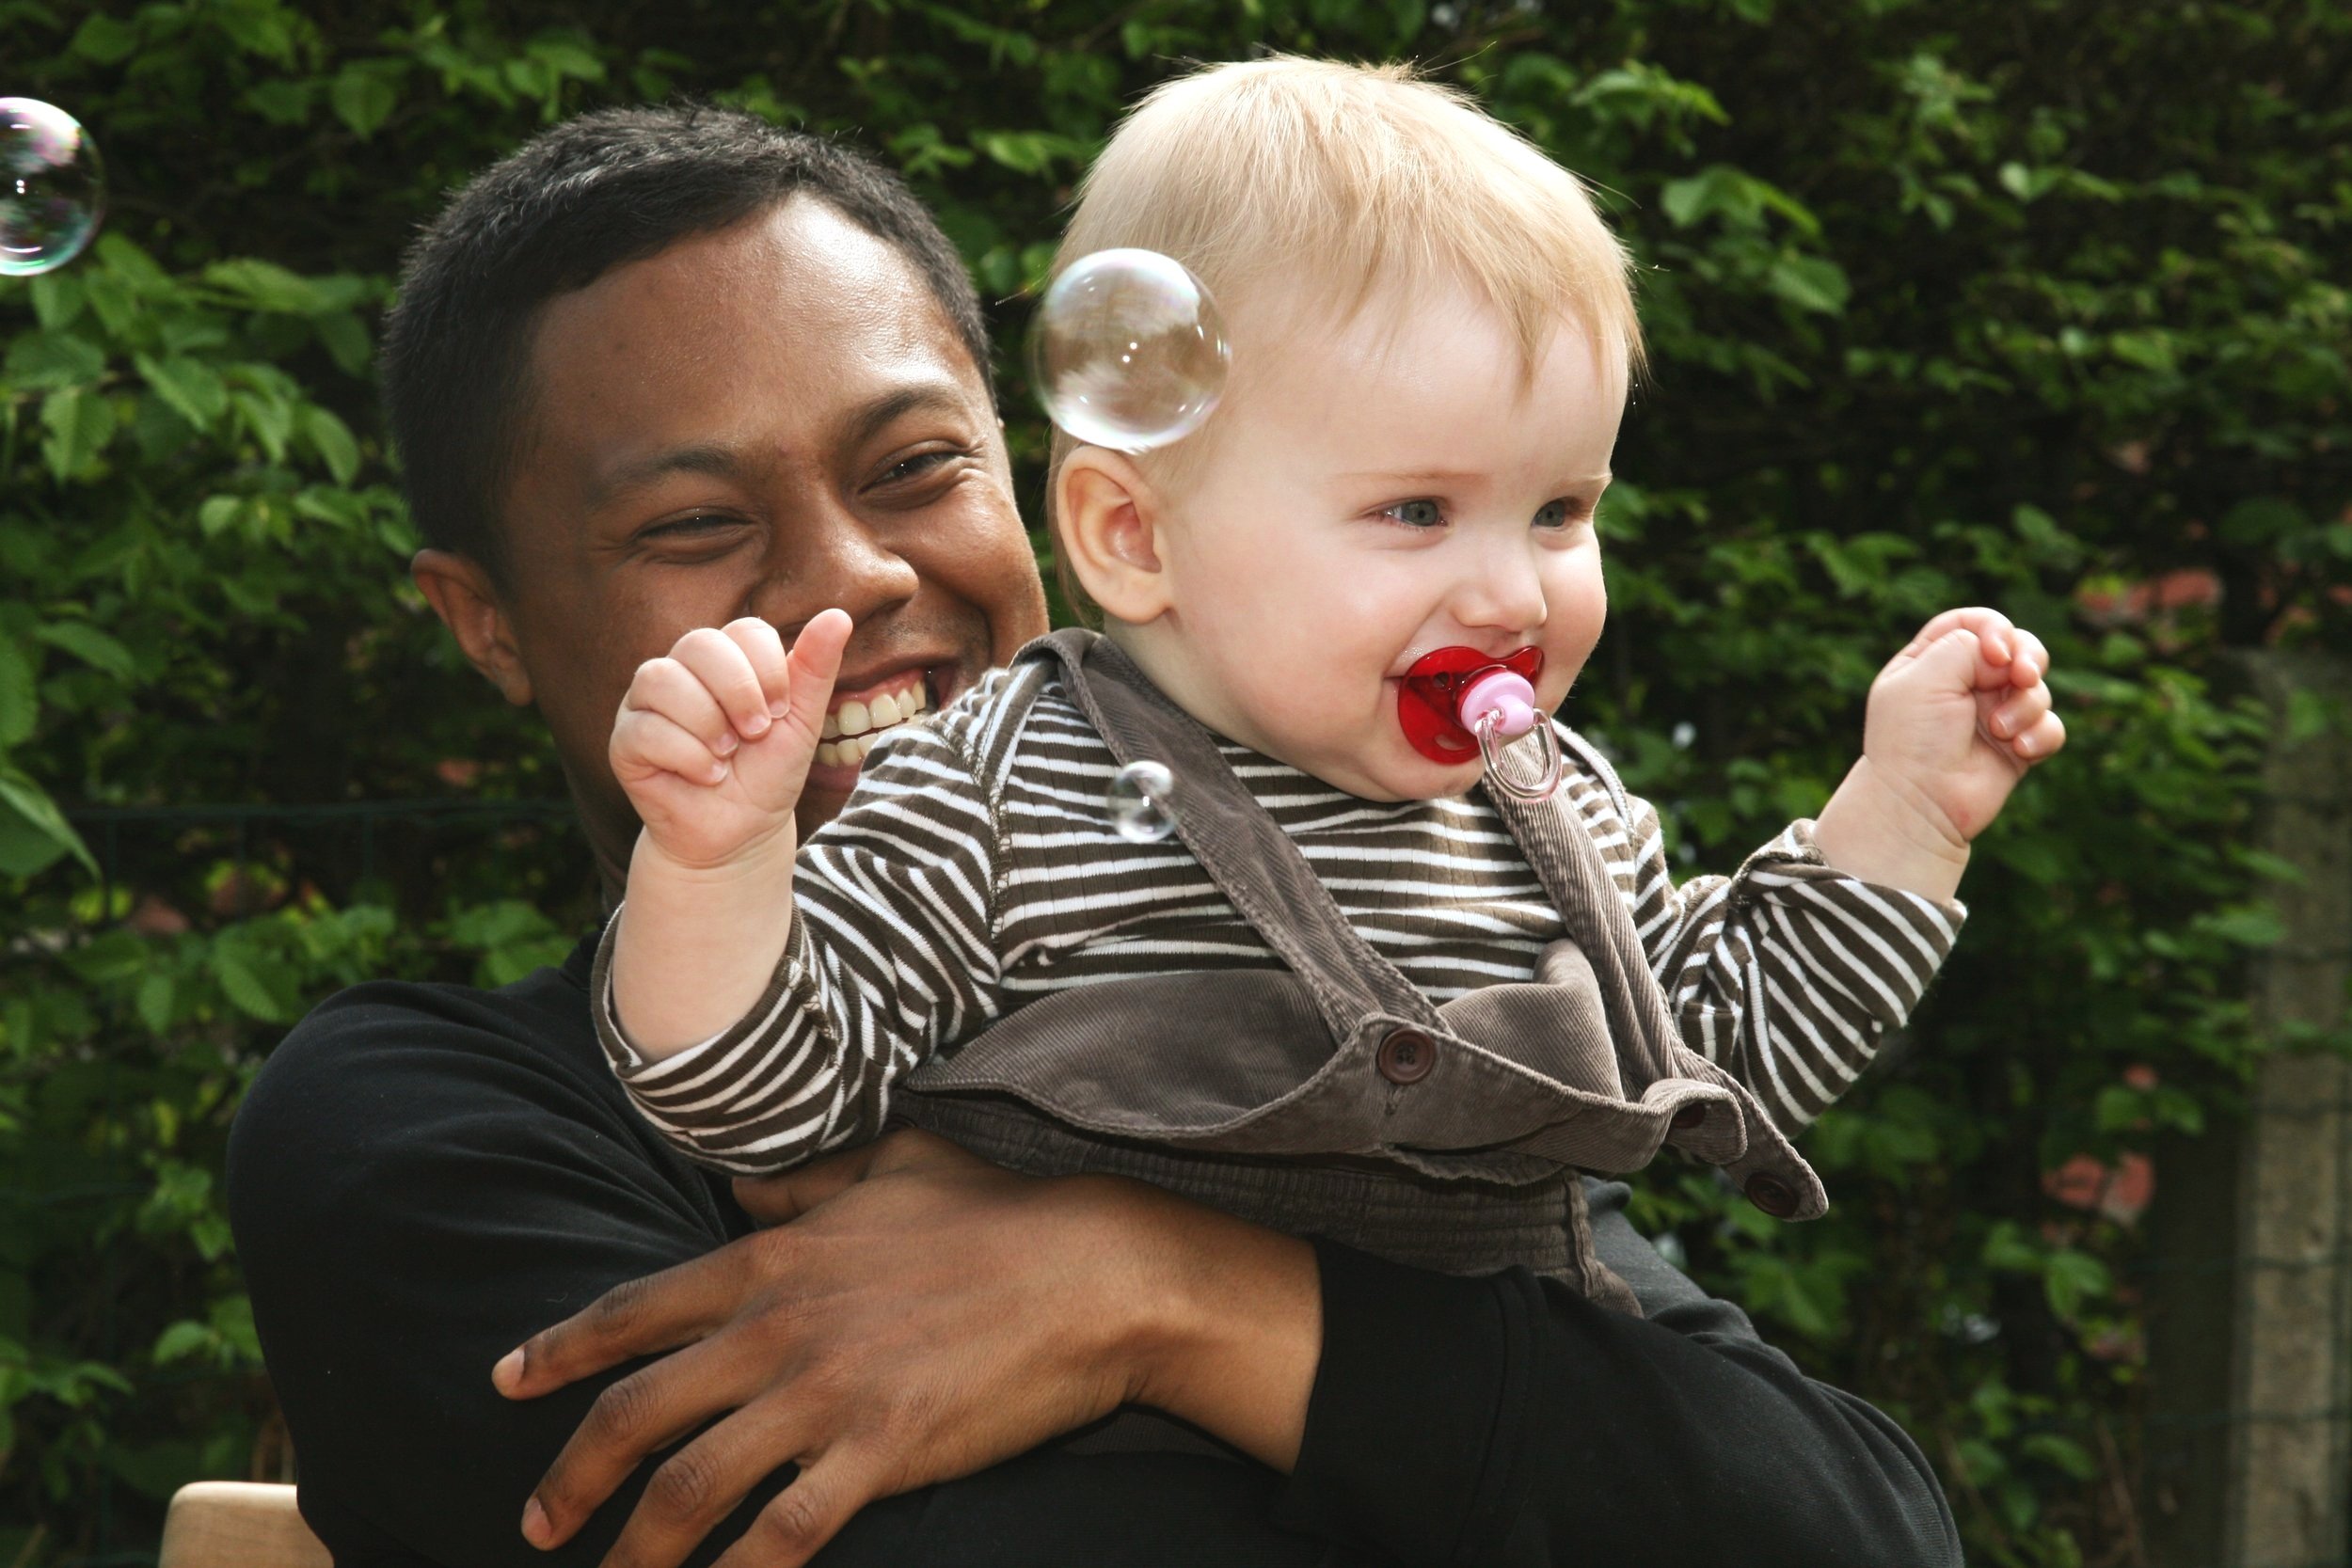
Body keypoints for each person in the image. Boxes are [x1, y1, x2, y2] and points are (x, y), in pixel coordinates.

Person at [227, 102, 1974, 1568]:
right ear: (489, 624)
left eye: (915, 465)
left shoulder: (1331, 1030)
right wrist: (1405, 1400)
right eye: (694, 519)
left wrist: (1155, 1294)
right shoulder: (429, 1123)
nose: (860, 571)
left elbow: (1855, 1527)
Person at [594, 59, 2059, 1320]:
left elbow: (1731, 1051)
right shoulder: (993, 790)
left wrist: (1906, 819)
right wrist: (715, 864)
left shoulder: (1559, 815)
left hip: (1476, 1463)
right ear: (1136, 536)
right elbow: (757, 1098)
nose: (1513, 592)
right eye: (1416, 512)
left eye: (1559, 511)